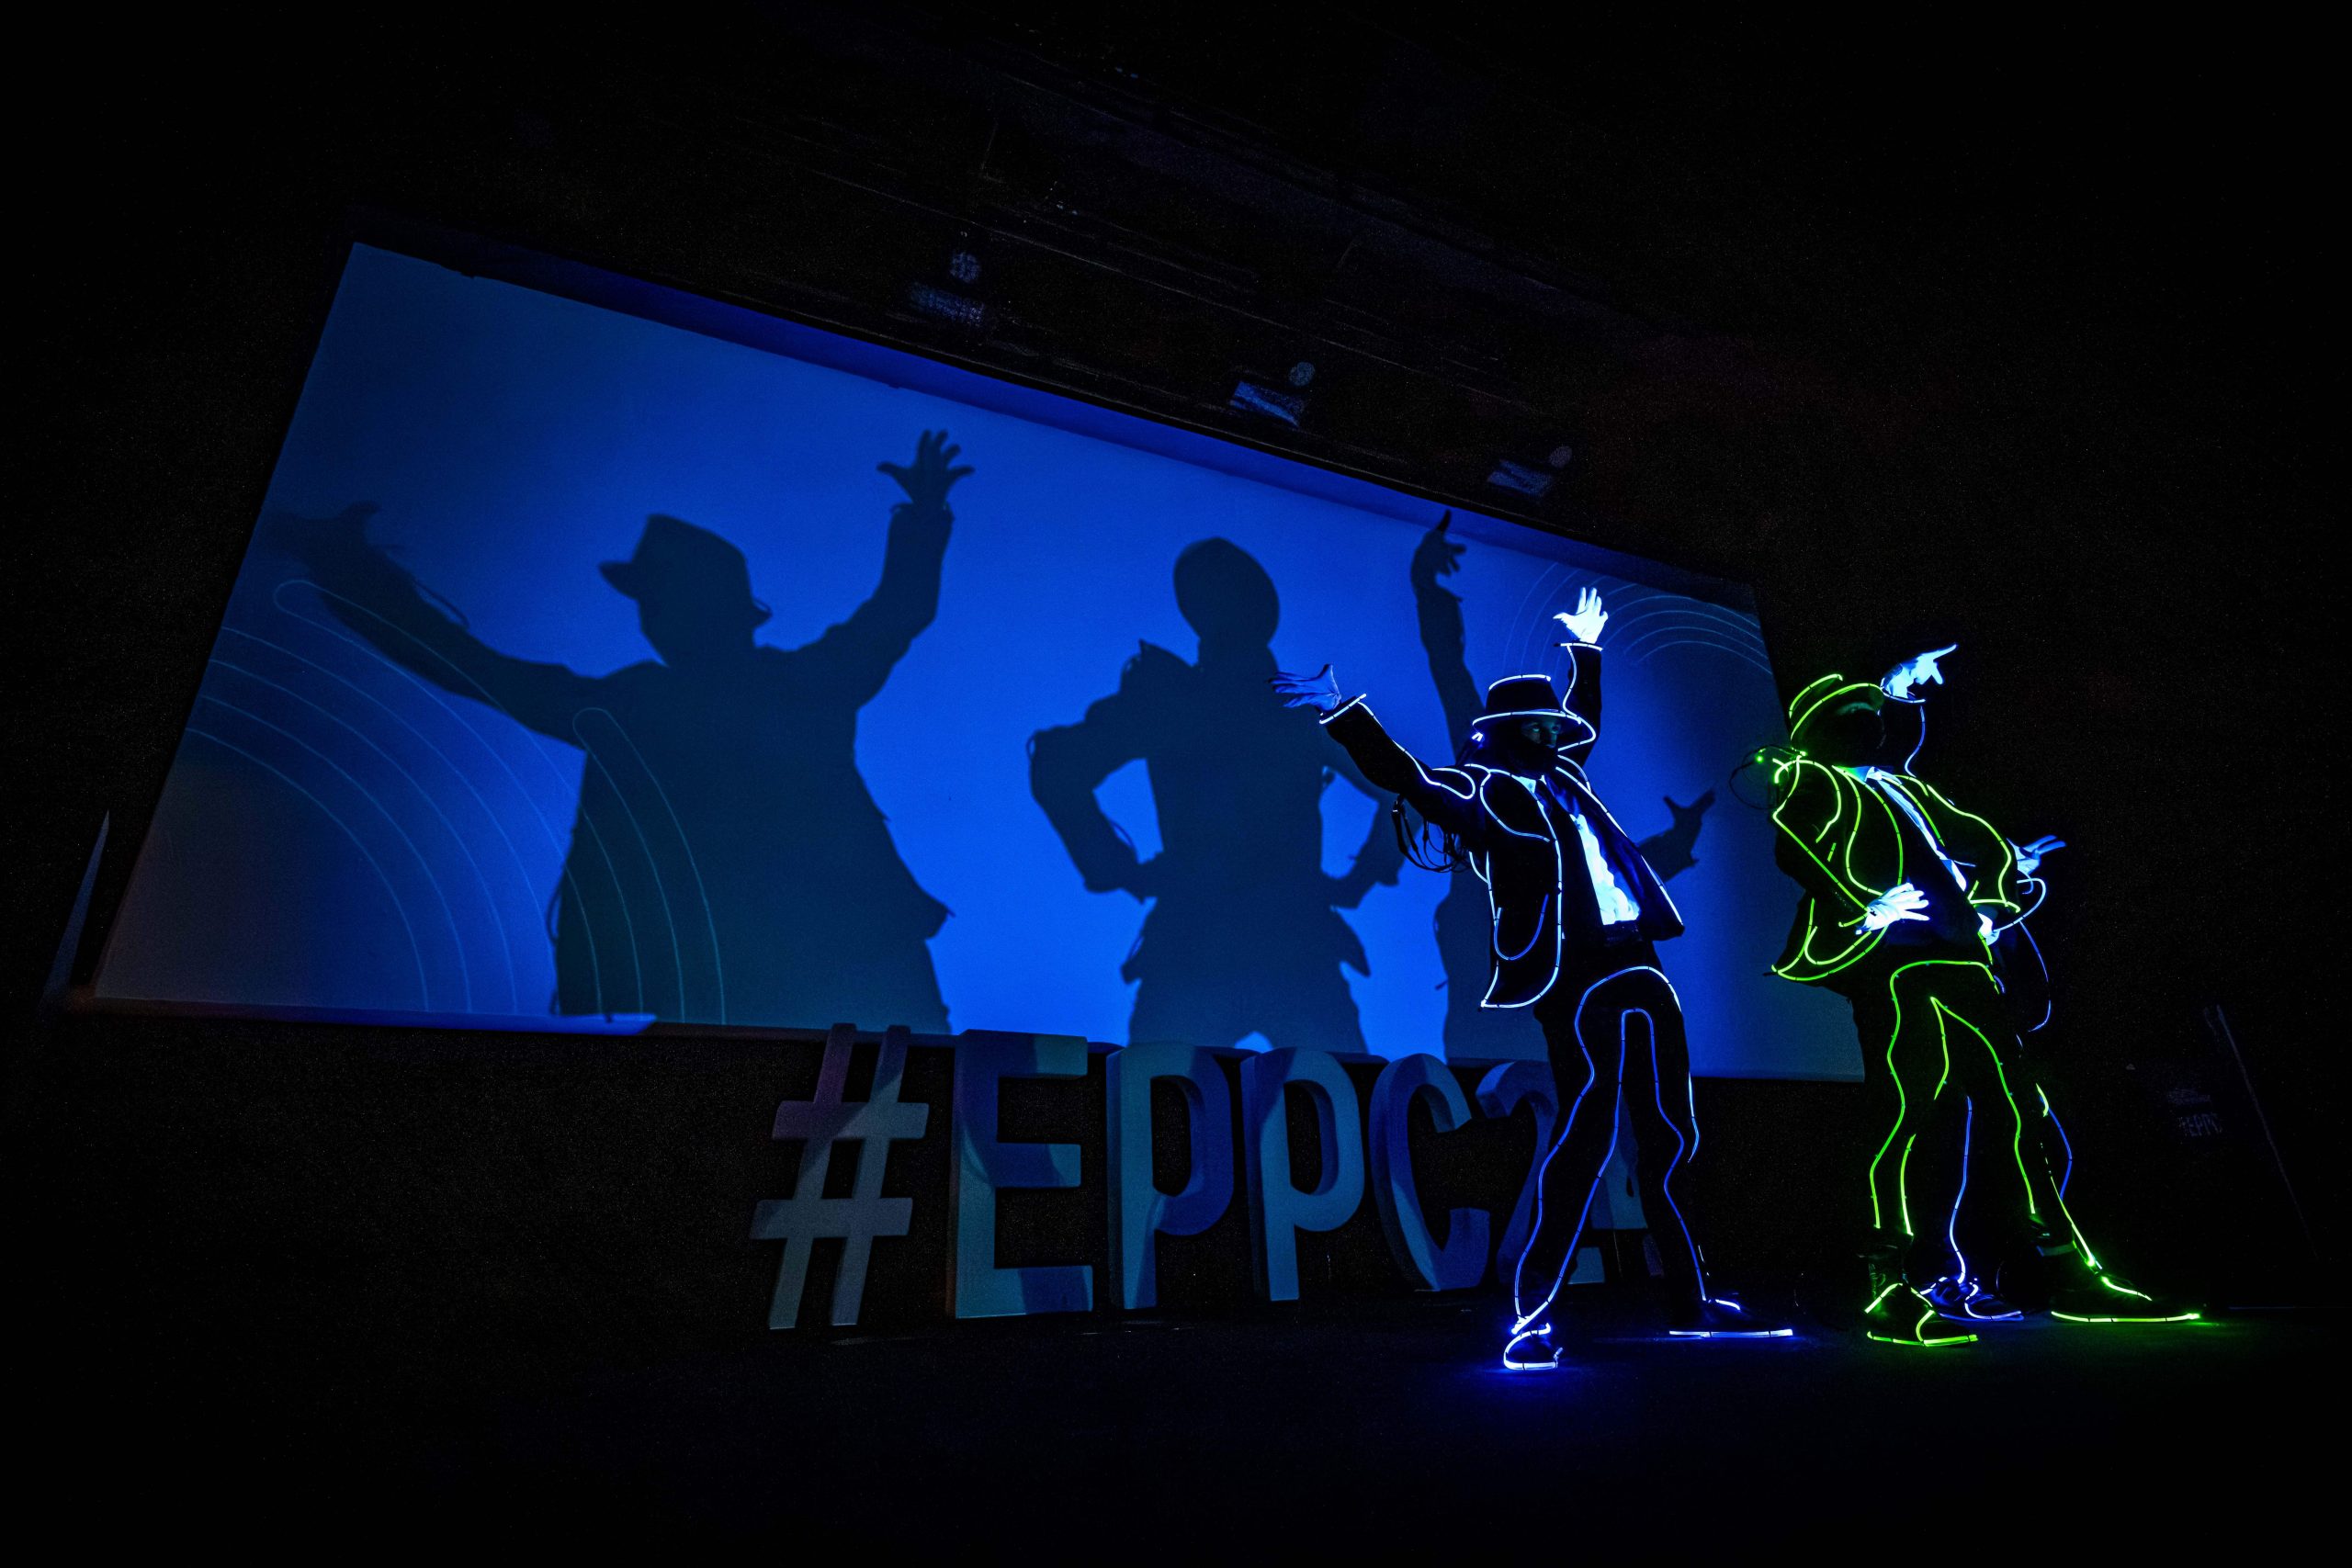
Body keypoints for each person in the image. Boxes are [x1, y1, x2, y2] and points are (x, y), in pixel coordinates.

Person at [267, 430, 971, 1032]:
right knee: (895, 1120)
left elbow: (467, 665)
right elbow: (896, 612)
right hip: (821, 969)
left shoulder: (639, 707)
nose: (649, 615)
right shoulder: (789, 686)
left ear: (692, 608)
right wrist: (924, 514)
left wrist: (349, 572)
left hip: (742, 981)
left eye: (657, 598)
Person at [1274, 588, 1787, 1371]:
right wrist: (1343, 711)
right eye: (1536, 728)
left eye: (1554, 727)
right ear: (1506, 734)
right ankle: (1535, 1314)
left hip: (1638, 962)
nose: (1553, 736)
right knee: (1586, 1135)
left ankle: (1692, 1300)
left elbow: (1586, 718)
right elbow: (1409, 777)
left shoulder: (1572, 781)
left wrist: (1587, 651)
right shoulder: (1487, 792)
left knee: (1671, 1135)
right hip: (1572, 972)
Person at [1763, 646, 2196, 1345]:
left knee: (2016, 1105)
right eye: (1851, 714)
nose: (1870, 721)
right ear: (1819, 732)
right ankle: (1891, 1285)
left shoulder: (1903, 788)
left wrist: (1993, 905)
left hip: (1959, 957)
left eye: (1870, 712)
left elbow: (1976, 837)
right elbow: (1793, 844)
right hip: (1899, 964)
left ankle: (2065, 1269)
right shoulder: (1816, 779)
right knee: (1909, 1111)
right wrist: (1862, 907)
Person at [1030, 539, 1401, 1053]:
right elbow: (1405, 791)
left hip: (1231, 946)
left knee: (1168, 1097)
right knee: (1327, 1097)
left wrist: (1119, 869)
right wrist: (1359, 880)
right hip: (1263, 946)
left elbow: (1055, 765)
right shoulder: (1290, 714)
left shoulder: (1187, 705)